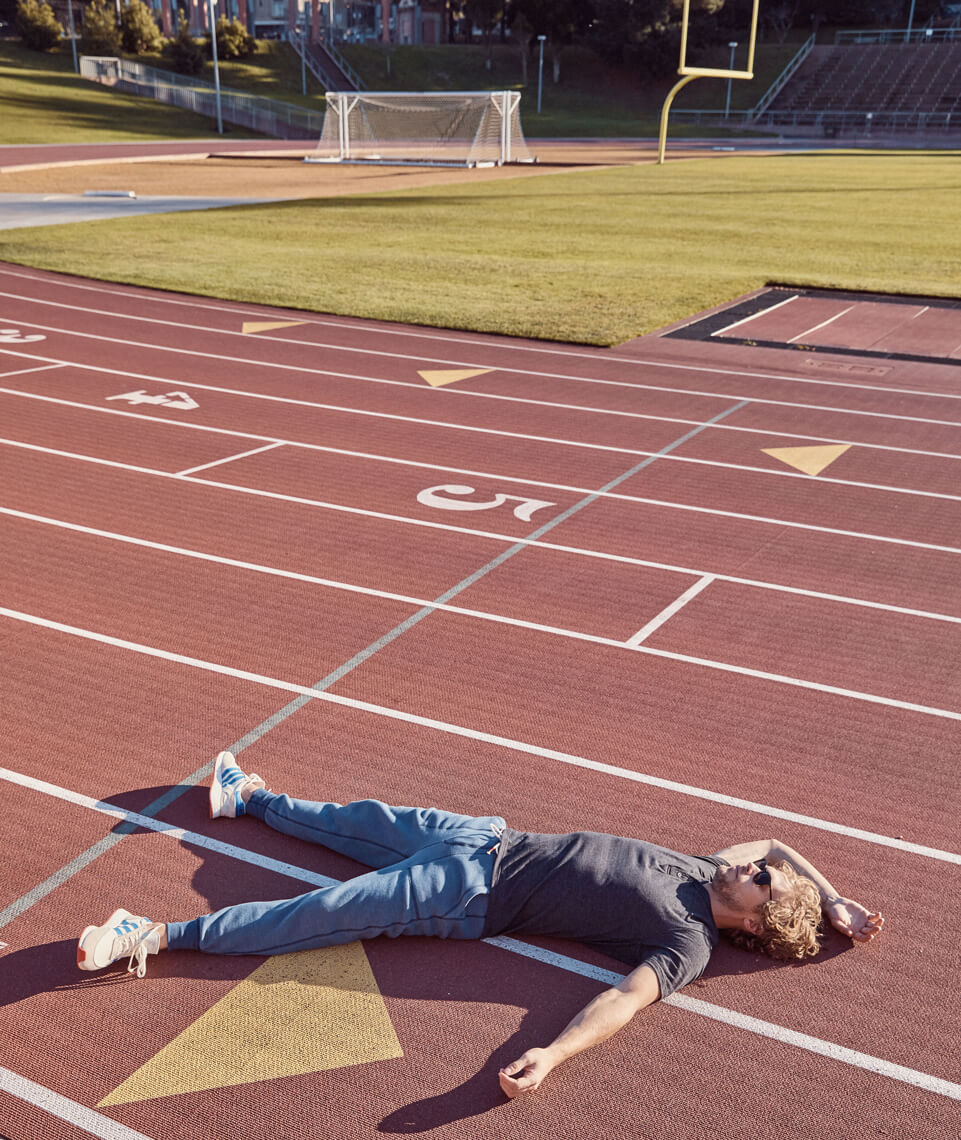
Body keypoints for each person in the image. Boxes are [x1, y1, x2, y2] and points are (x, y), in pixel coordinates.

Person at [76, 753, 884, 1099]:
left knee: (314, 916)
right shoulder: (704, 866)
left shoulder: (688, 943)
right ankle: (248, 797)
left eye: (762, 881)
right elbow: (774, 839)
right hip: (487, 834)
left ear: (754, 920)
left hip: (463, 892)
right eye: (760, 869)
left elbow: (625, 1001)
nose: (755, 865)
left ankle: (148, 936)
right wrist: (835, 899)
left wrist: (555, 1053)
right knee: (355, 820)